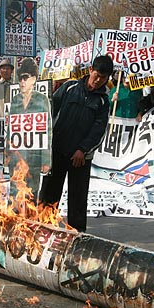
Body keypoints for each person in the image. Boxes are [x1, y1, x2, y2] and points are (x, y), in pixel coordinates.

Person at [38, 55, 113, 233]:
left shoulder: (103, 101)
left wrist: (83, 150)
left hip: (80, 158)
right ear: (90, 71)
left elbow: (98, 130)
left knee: (78, 199)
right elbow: (49, 108)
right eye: (97, 75)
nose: (98, 80)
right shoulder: (69, 87)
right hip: (56, 151)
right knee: (49, 194)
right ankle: (43, 228)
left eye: (104, 78)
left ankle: (76, 235)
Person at [7, 57, 52, 216]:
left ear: (34, 78)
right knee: (14, 192)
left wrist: (46, 160)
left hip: (34, 155)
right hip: (17, 155)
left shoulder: (42, 100)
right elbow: (10, 129)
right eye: (20, 78)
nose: (22, 82)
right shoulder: (15, 101)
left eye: (26, 77)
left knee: (31, 192)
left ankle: (29, 225)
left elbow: (47, 129)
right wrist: (7, 153)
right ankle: (12, 224)